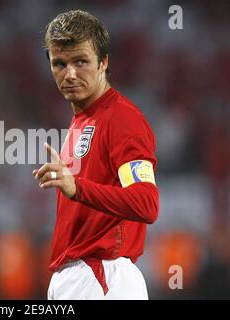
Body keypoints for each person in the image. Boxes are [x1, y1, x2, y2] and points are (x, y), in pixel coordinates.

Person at [33, 10, 159, 300]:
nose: (70, 74)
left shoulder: (121, 119)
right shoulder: (82, 121)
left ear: (103, 63)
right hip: (79, 277)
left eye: (81, 61)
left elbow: (147, 203)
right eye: (60, 64)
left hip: (103, 277)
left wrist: (78, 188)